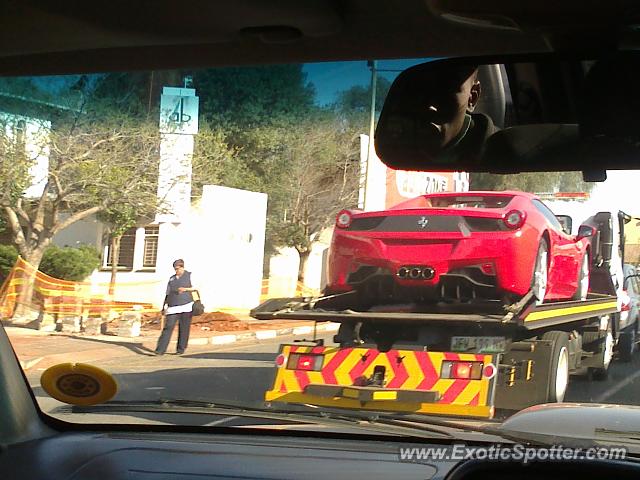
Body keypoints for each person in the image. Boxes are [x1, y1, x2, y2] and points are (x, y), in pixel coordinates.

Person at [154, 259, 197, 355]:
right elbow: (168, 293)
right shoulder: (172, 279)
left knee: (184, 328)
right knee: (168, 327)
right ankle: (160, 350)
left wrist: (185, 289)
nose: (176, 271)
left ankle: (181, 349)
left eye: (178, 268)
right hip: (173, 306)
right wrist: (164, 306)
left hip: (186, 305)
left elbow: (196, 287)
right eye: (175, 269)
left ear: (182, 267)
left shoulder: (190, 275)